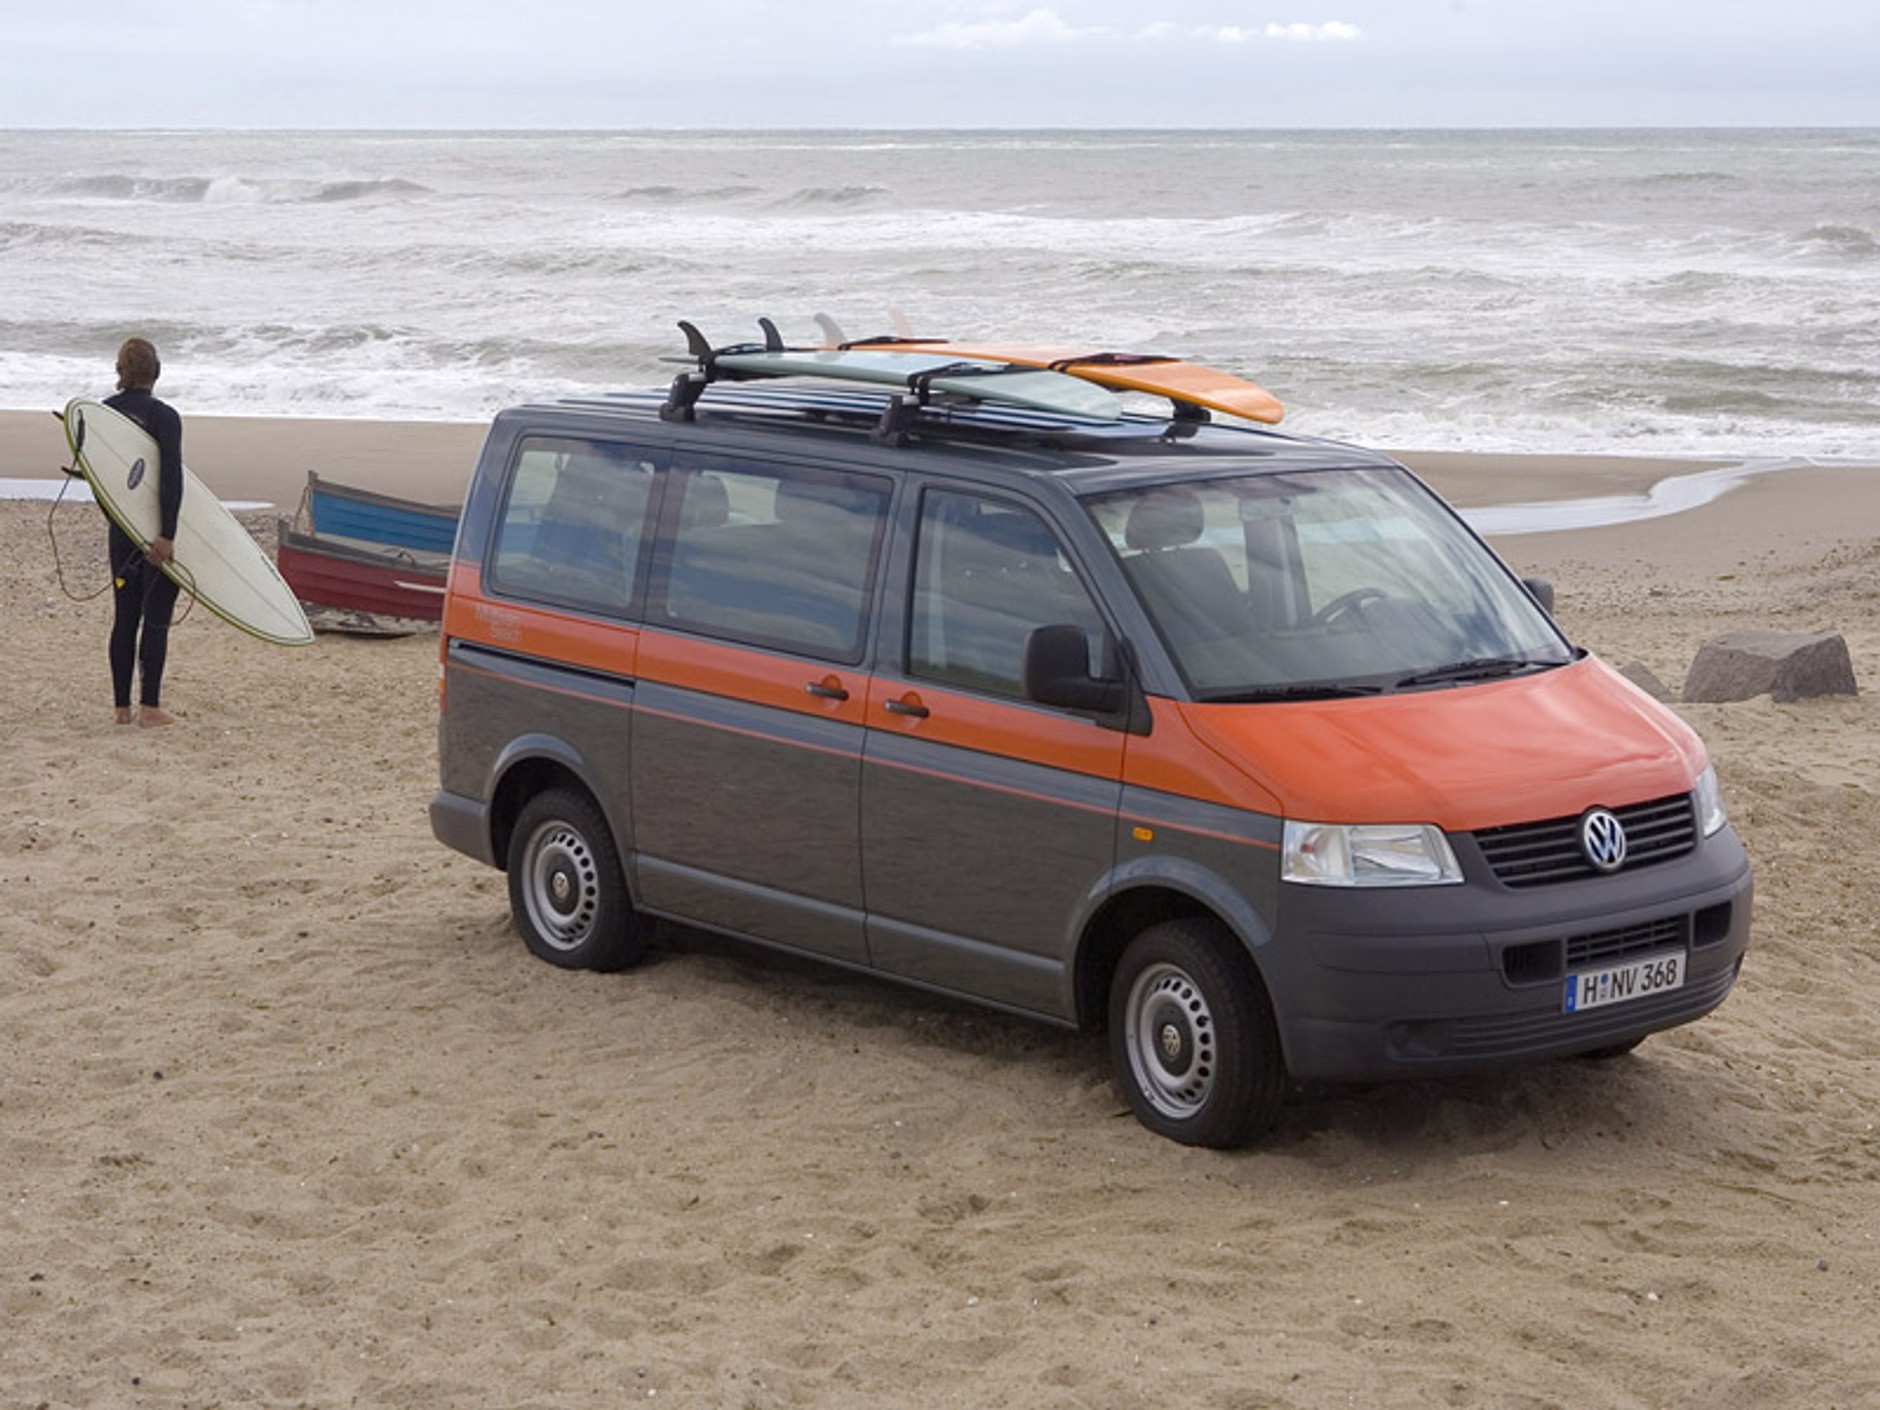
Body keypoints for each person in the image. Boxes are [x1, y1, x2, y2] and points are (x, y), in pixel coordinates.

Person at [103, 337, 184, 727]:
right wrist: (166, 534)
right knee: (156, 616)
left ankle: (122, 708)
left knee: (125, 616)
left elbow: (101, 481)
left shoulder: (104, 413)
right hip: (154, 533)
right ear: (156, 372)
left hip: (122, 532)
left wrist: (118, 520)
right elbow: (171, 479)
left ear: (120, 371)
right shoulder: (164, 416)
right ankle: (149, 707)